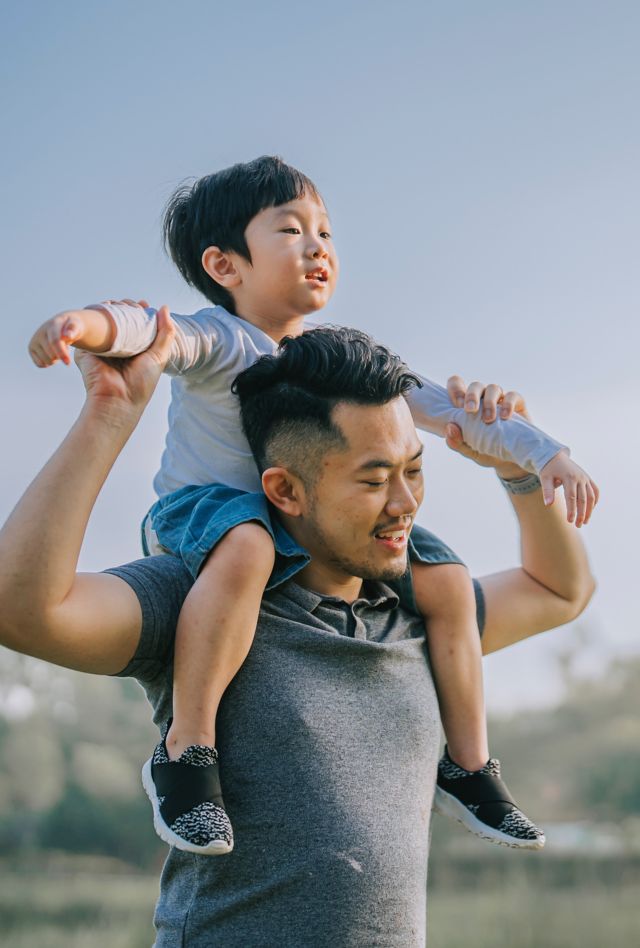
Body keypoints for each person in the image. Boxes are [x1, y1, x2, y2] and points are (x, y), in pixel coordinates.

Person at [27, 156, 598, 855]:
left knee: (445, 576)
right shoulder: (218, 338)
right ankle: (186, 754)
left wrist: (541, 455)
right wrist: (83, 326)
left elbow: (450, 410)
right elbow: (145, 328)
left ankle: (471, 765)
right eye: (291, 230)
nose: (319, 245)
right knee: (247, 544)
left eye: (325, 231)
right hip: (202, 520)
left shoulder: (343, 368)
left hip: (285, 536)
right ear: (225, 264)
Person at [0, 323, 595, 947]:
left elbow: (560, 590)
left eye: (413, 470)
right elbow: (21, 609)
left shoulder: (419, 616)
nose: (404, 503)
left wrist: (519, 472)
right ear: (285, 489)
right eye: (373, 480)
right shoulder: (207, 601)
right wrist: (107, 417)